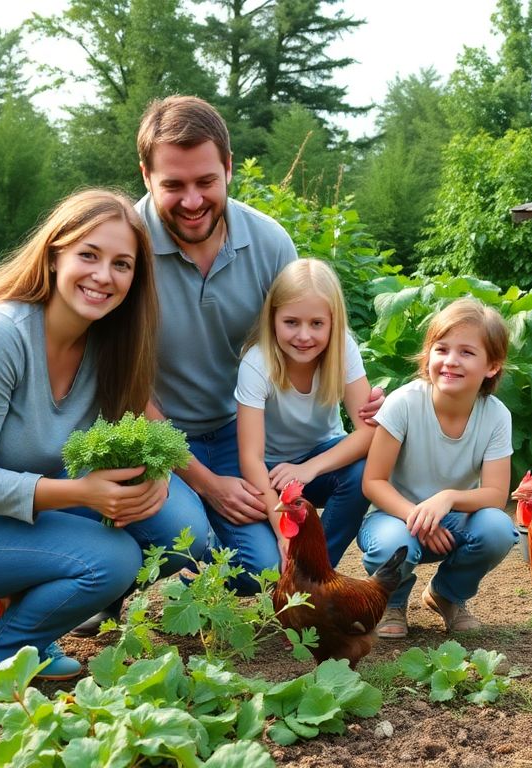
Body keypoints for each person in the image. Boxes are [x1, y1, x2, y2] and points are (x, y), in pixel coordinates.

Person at [0, 189, 209, 692]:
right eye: (88, 255)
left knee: (181, 528)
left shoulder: (107, 344)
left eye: (122, 264)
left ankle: (18, 624)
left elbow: (137, 423)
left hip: (8, 515)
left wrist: (155, 472)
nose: (103, 276)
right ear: (54, 255)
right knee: (112, 559)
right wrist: (84, 493)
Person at [103, 95, 381, 615]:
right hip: (157, 439)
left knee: (263, 571)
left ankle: (309, 582)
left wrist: (364, 401)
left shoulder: (270, 243)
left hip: (237, 434)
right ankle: (109, 584)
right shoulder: (126, 247)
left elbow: (307, 333)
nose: (191, 200)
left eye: (206, 181)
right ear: (146, 175)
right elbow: (121, 381)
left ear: (229, 168)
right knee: (179, 529)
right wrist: (208, 485)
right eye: (173, 185)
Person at [358, 299, 518, 639]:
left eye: (466, 353)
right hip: (392, 516)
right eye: (441, 349)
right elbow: (373, 482)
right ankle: (392, 601)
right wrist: (417, 514)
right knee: (392, 543)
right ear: (428, 355)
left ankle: (447, 595)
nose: (450, 361)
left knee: (498, 529)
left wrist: (445, 499)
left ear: (492, 365)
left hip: (451, 520)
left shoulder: (496, 415)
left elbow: (495, 494)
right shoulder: (404, 403)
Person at [235, 259, 373, 569]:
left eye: (316, 324)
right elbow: (250, 459)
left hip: (320, 462)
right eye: (291, 322)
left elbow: (369, 432)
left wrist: (309, 468)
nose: (304, 335)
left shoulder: (343, 350)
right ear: (273, 319)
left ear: (333, 323)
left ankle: (316, 569)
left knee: (363, 470)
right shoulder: (257, 364)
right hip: (268, 473)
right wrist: (283, 531)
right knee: (263, 563)